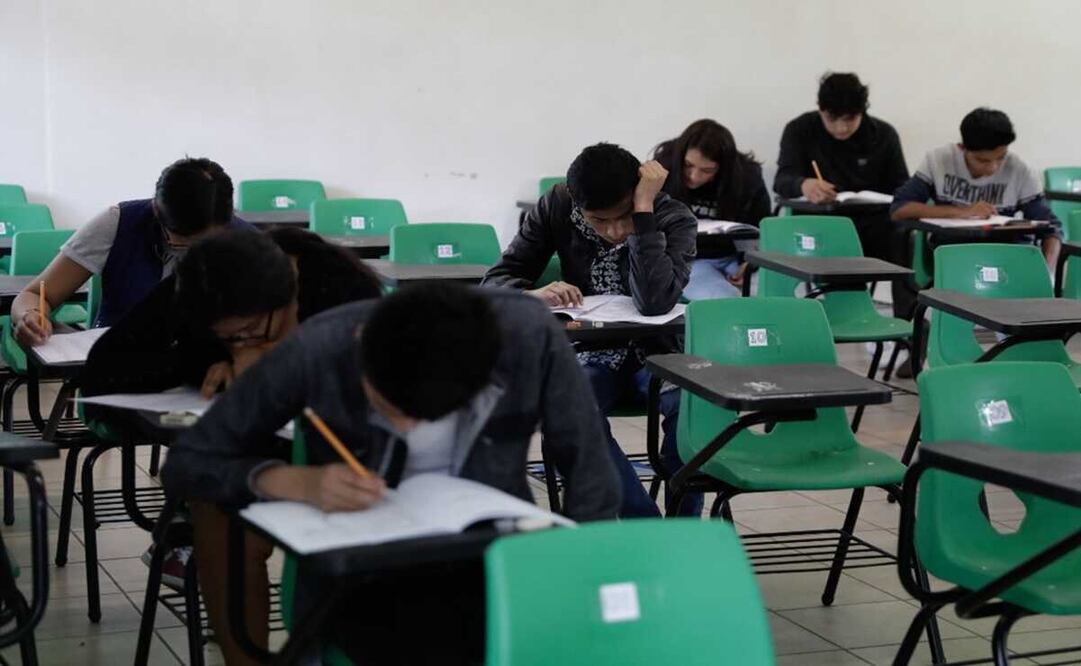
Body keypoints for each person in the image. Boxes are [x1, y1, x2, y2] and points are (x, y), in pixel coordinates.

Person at [161, 282, 620, 665]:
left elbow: (590, 471)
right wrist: (291, 482)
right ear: (361, 344)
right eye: (389, 410)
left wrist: (578, 583)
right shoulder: (321, 347)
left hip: (490, 557)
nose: (407, 429)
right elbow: (190, 462)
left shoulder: (528, 337)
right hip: (363, 570)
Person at [82, 228, 383, 666]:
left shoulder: (339, 287)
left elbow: (387, 389)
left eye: (253, 331)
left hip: (347, 453)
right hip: (258, 456)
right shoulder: (208, 282)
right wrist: (207, 361)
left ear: (288, 294)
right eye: (229, 338)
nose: (243, 347)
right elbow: (105, 368)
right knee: (218, 510)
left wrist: (290, 370)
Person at [483, 142, 701, 519]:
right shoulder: (557, 206)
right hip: (590, 351)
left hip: (662, 352)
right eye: (600, 221)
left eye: (624, 217)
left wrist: (644, 216)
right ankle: (645, 525)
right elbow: (495, 282)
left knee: (690, 409)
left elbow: (655, 302)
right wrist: (532, 293)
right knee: (569, 408)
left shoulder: (672, 217)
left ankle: (684, 525)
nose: (615, 231)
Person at [11, 157, 249, 347]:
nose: (184, 253)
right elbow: (35, 294)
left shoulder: (249, 244)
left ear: (227, 219)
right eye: (176, 244)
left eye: (200, 244)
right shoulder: (119, 223)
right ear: (155, 208)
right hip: (122, 368)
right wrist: (29, 316)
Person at [774, 73, 913, 317]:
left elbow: (902, 186)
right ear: (820, 110)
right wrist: (804, 184)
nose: (841, 127)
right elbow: (782, 180)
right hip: (819, 224)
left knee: (904, 236)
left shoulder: (883, 134)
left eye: (850, 119)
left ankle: (906, 325)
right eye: (832, 119)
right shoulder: (800, 129)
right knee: (833, 242)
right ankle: (850, 317)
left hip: (871, 222)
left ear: (863, 111)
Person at [891, 107, 1061, 262]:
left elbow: (1051, 229)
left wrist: (1048, 275)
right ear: (962, 148)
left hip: (1006, 256)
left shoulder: (1020, 170)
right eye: (982, 160)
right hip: (953, 253)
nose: (993, 167)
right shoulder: (939, 160)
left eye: (1001, 157)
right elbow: (900, 209)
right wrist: (964, 212)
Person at [653, 119, 770, 299]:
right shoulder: (663, 168)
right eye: (688, 165)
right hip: (690, 260)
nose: (694, 176)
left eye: (707, 170)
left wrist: (751, 261)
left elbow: (760, 226)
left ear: (723, 169)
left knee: (774, 291)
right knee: (724, 299)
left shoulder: (746, 177)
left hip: (737, 256)